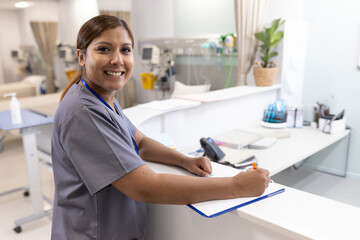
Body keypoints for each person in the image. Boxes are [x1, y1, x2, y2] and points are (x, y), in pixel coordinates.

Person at [51, 15, 271, 240]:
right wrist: (237, 185)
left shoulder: (103, 99)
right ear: (81, 56)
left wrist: (184, 160)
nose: (117, 59)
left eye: (125, 50)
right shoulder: (83, 113)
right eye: (104, 49)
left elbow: (141, 143)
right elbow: (145, 187)